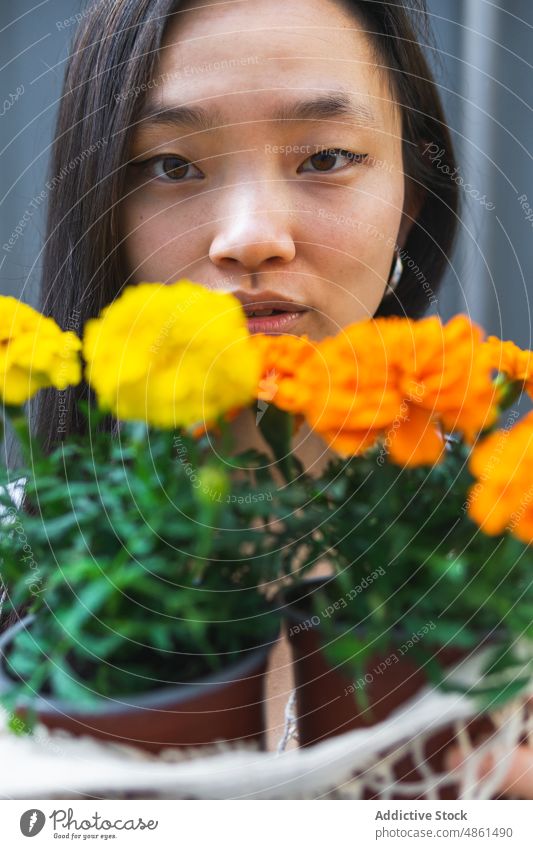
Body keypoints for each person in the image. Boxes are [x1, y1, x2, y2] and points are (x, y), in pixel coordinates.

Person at [23, 0, 531, 795]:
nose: (251, 235)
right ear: (102, 211)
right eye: (172, 165)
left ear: (412, 201)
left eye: (325, 156)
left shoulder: (504, 558)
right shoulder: (22, 556)